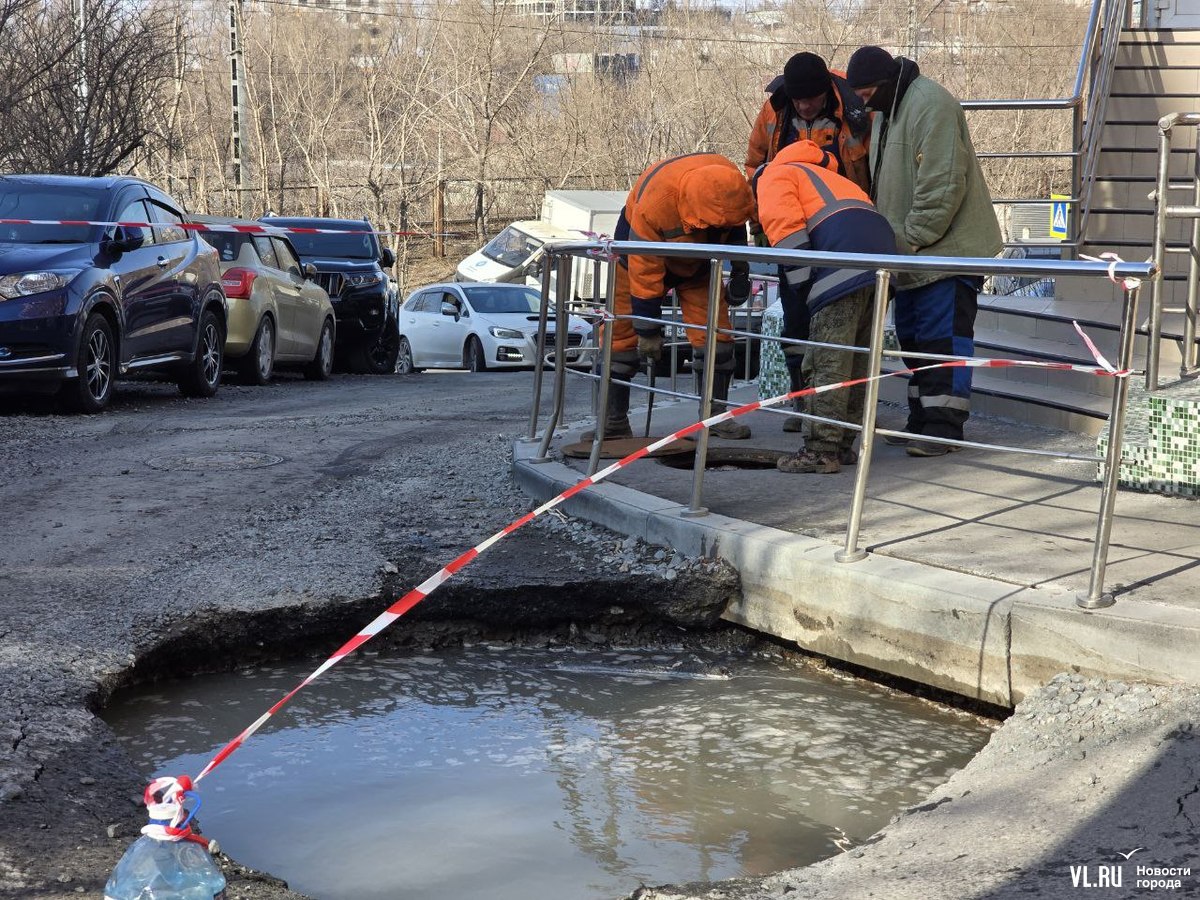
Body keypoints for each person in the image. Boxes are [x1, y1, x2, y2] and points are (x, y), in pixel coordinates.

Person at [845, 45, 1002, 457]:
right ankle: (923, 420)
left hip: (942, 252)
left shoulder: (931, 103)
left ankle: (943, 428)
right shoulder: (889, 109)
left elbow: (943, 181)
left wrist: (911, 237)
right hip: (912, 252)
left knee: (942, 340)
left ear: (882, 85)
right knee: (916, 339)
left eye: (865, 96)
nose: (863, 105)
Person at [588, 152, 756, 442]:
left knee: (717, 337)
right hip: (635, 264)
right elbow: (645, 272)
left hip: (698, 265)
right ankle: (613, 424)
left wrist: (740, 270)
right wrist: (648, 331)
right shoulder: (656, 205)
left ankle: (714, 418)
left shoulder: (730, 184)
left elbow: (735, 227)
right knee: (620, 338)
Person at [746, 52, 873, 430]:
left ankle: (834, 410)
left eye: (811, 100)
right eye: (799, 100)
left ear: (825, 93)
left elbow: (867, 168)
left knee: (838, 319)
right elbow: (755, 167)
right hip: (791, 228)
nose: (804, 106)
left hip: (839, 229)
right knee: (797, 314)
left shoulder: (852, 112)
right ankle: (804, 399)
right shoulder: (775, 111)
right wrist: (760, 222)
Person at [755, 140, 897, 474]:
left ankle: (820, 449)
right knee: (859, 359)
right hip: (883, 265)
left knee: (826, 360)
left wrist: (804, 293)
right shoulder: (827, 176)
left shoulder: (774, 176)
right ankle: (845, 444)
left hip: (840, 266)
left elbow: (790, 241)